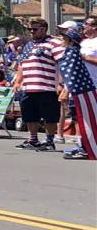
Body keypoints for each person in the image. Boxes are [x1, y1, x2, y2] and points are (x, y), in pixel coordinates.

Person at [13, 18, 65, 151]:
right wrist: (18, 81)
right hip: (29, 86)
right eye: (29, 29)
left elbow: (62, 64)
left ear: (43, 29)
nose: (31, 32)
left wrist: (60, 83)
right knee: (30, 115)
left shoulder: (54, 43)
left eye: (34, 29)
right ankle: (33, 139)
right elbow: (21, 64)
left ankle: (49, 141)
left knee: (50, 115)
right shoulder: (28, 45)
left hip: (47, 86)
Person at [55, 27, 97, 160]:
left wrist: (66, 91)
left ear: (70, 40)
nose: (62, 39)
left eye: (64, 37)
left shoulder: (72, 53)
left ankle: (86, 148)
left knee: (84, 120)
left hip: (80, 90)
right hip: (80, 90)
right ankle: (84, 146)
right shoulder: (72, 51)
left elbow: (72, 74)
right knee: (81, 119)